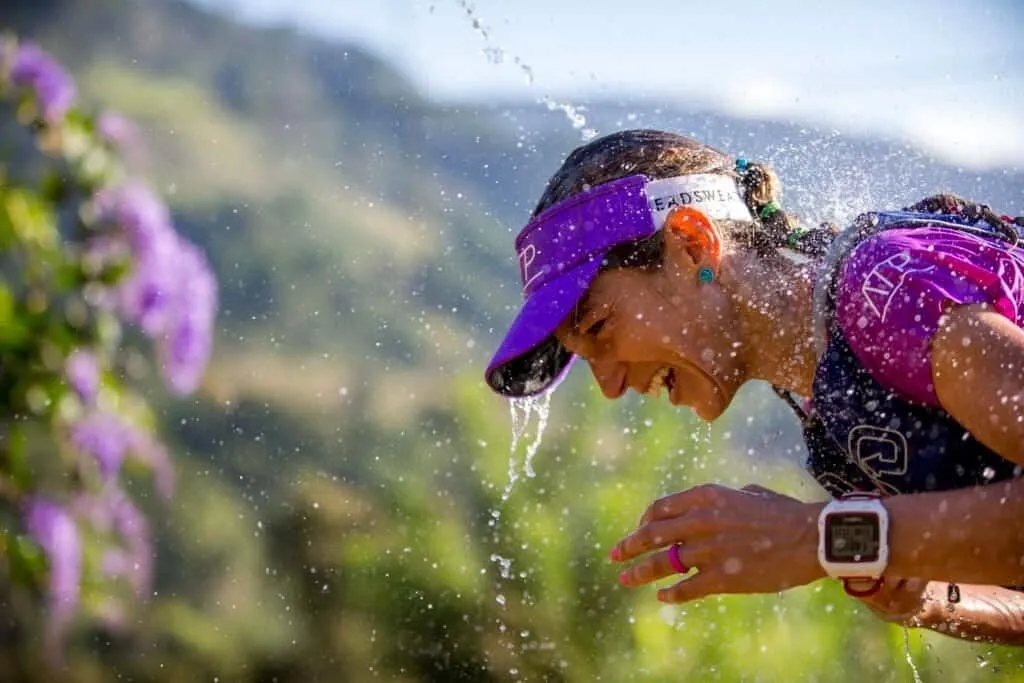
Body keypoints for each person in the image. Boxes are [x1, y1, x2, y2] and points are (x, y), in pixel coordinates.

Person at [483, 129, 1024, 645]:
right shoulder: (829, 410)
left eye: (600, 328)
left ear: (692, 245)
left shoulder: (887, 289)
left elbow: (832, 535)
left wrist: (816, 538)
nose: (609, 383)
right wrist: (923, 600)